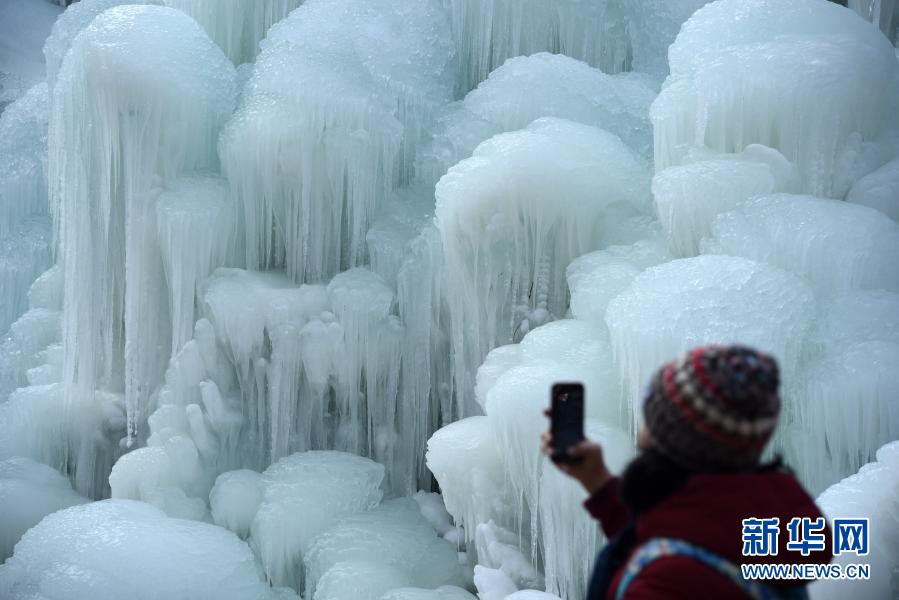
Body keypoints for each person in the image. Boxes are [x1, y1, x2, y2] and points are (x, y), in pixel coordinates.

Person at [542, 345, 831, 600]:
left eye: (652, 408)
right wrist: (597, 481)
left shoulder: (661, 586)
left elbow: (680, 564)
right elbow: (689, 536)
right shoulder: (762, 524)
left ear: (674, 436)